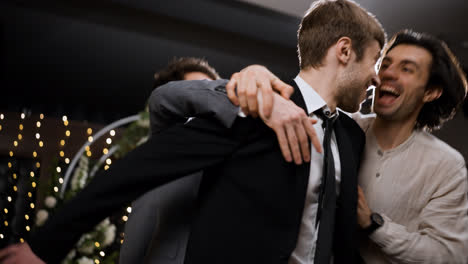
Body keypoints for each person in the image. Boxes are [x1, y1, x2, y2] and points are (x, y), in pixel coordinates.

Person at [0, 0, 385, 263]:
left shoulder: (351, 139)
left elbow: (341, 242)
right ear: (345, 51)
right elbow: (140, 168)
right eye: (375, 60)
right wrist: (45, 247)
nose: (376, 77)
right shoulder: (255, 108)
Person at [161, 29, 468, 263]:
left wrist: (374, 225)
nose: (387, 73)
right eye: (385, 63)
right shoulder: (340, 129)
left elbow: (450, 256)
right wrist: (251, 76)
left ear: (431, 92)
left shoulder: (446, 165)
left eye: (407, 69)